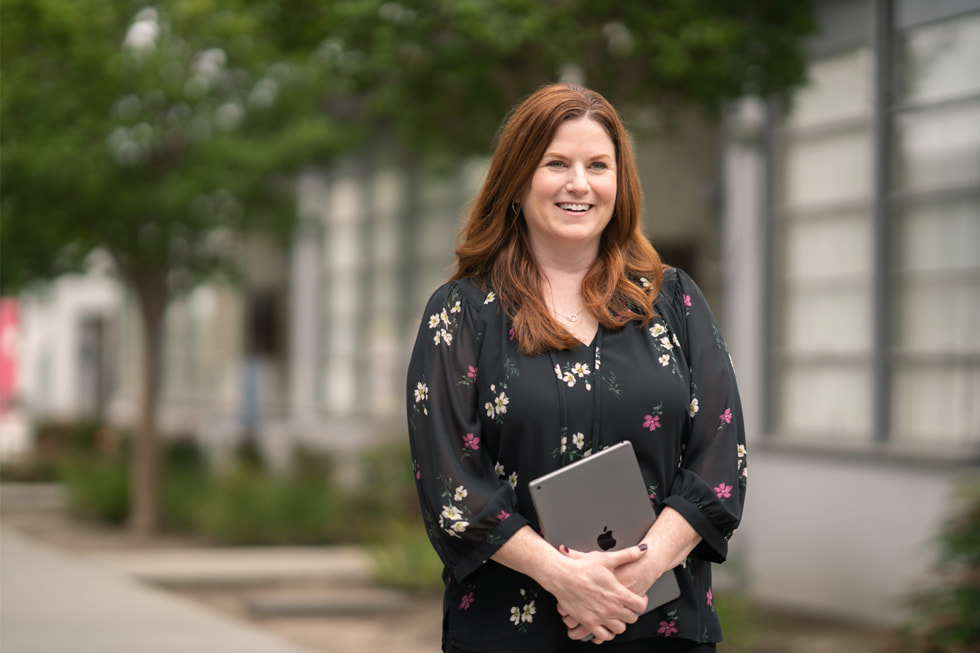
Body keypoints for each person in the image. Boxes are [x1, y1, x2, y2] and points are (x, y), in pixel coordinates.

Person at [406, 83, 746, 653]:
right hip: (510, 628)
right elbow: (451, 482)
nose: (579, 184)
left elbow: (720, 457)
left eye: (597, 165)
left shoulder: (674, 302)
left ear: (620, 182)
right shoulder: (462, 314)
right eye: (556, 163)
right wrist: (565, 577)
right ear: (516, 181)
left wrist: (637, 573)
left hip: (660, 622)